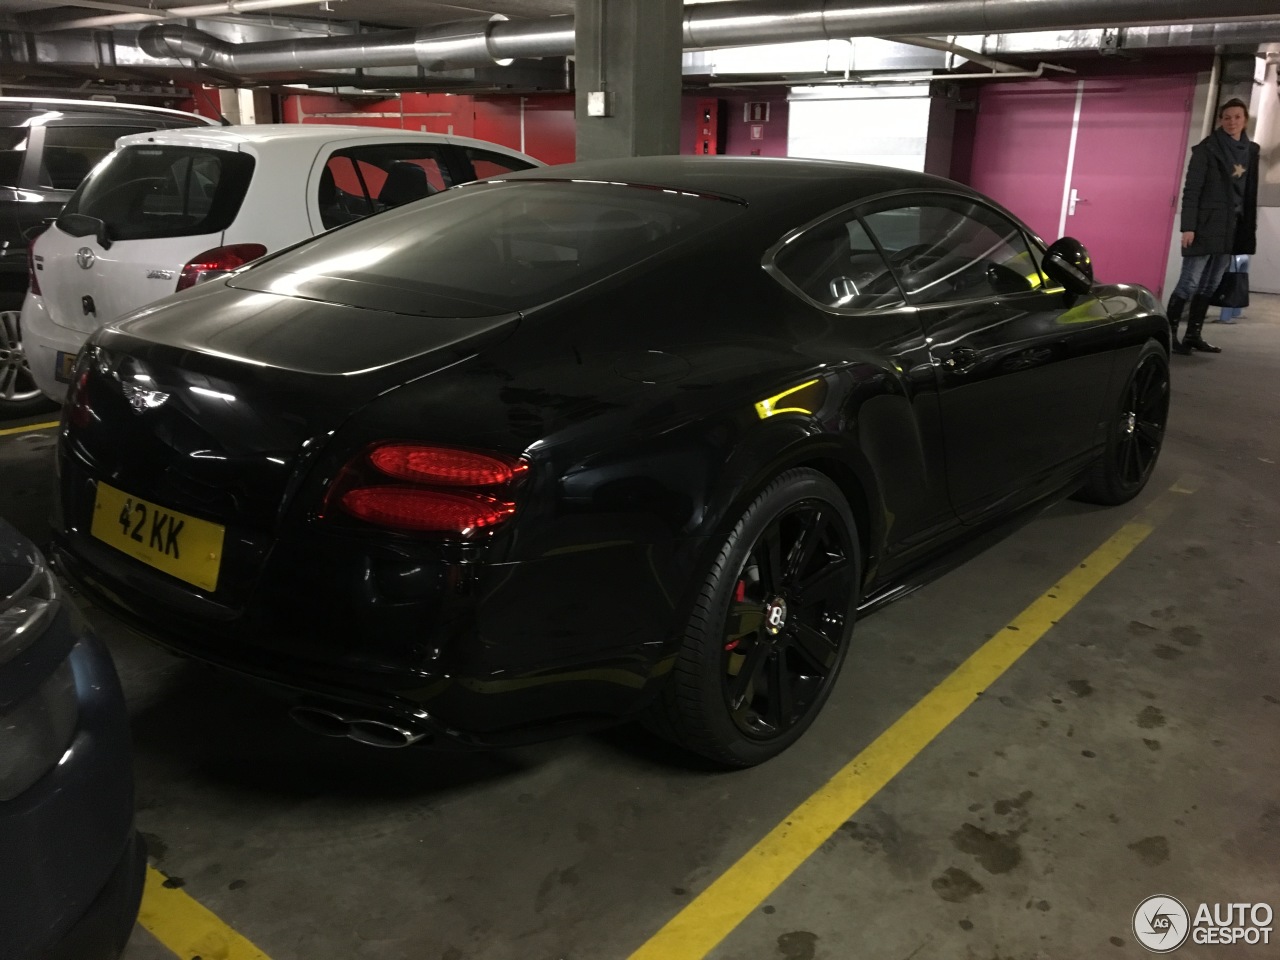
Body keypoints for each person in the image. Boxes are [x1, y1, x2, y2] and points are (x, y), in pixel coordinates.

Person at [1165, 97, 1259, 355]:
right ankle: (1169, 335)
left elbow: (1249, 193)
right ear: (1220, 120)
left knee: (1211, 284)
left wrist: (1248, 229)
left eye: (1237, 117)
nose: (1232, 122)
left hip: (1231, 227)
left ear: (1245, 120)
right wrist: (1188, 227)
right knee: (1190, 282)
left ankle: (1194, 334)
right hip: (1205, 225)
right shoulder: (1206, 150)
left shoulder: (1250, 151)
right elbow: (1191, 190)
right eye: (1227, 117)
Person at [1213, 253, 1249, 323]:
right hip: (1245, 254)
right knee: (1240, 281)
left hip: (1233, 255)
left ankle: (1225, 317)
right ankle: (1236, 312)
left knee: (1230, 283)